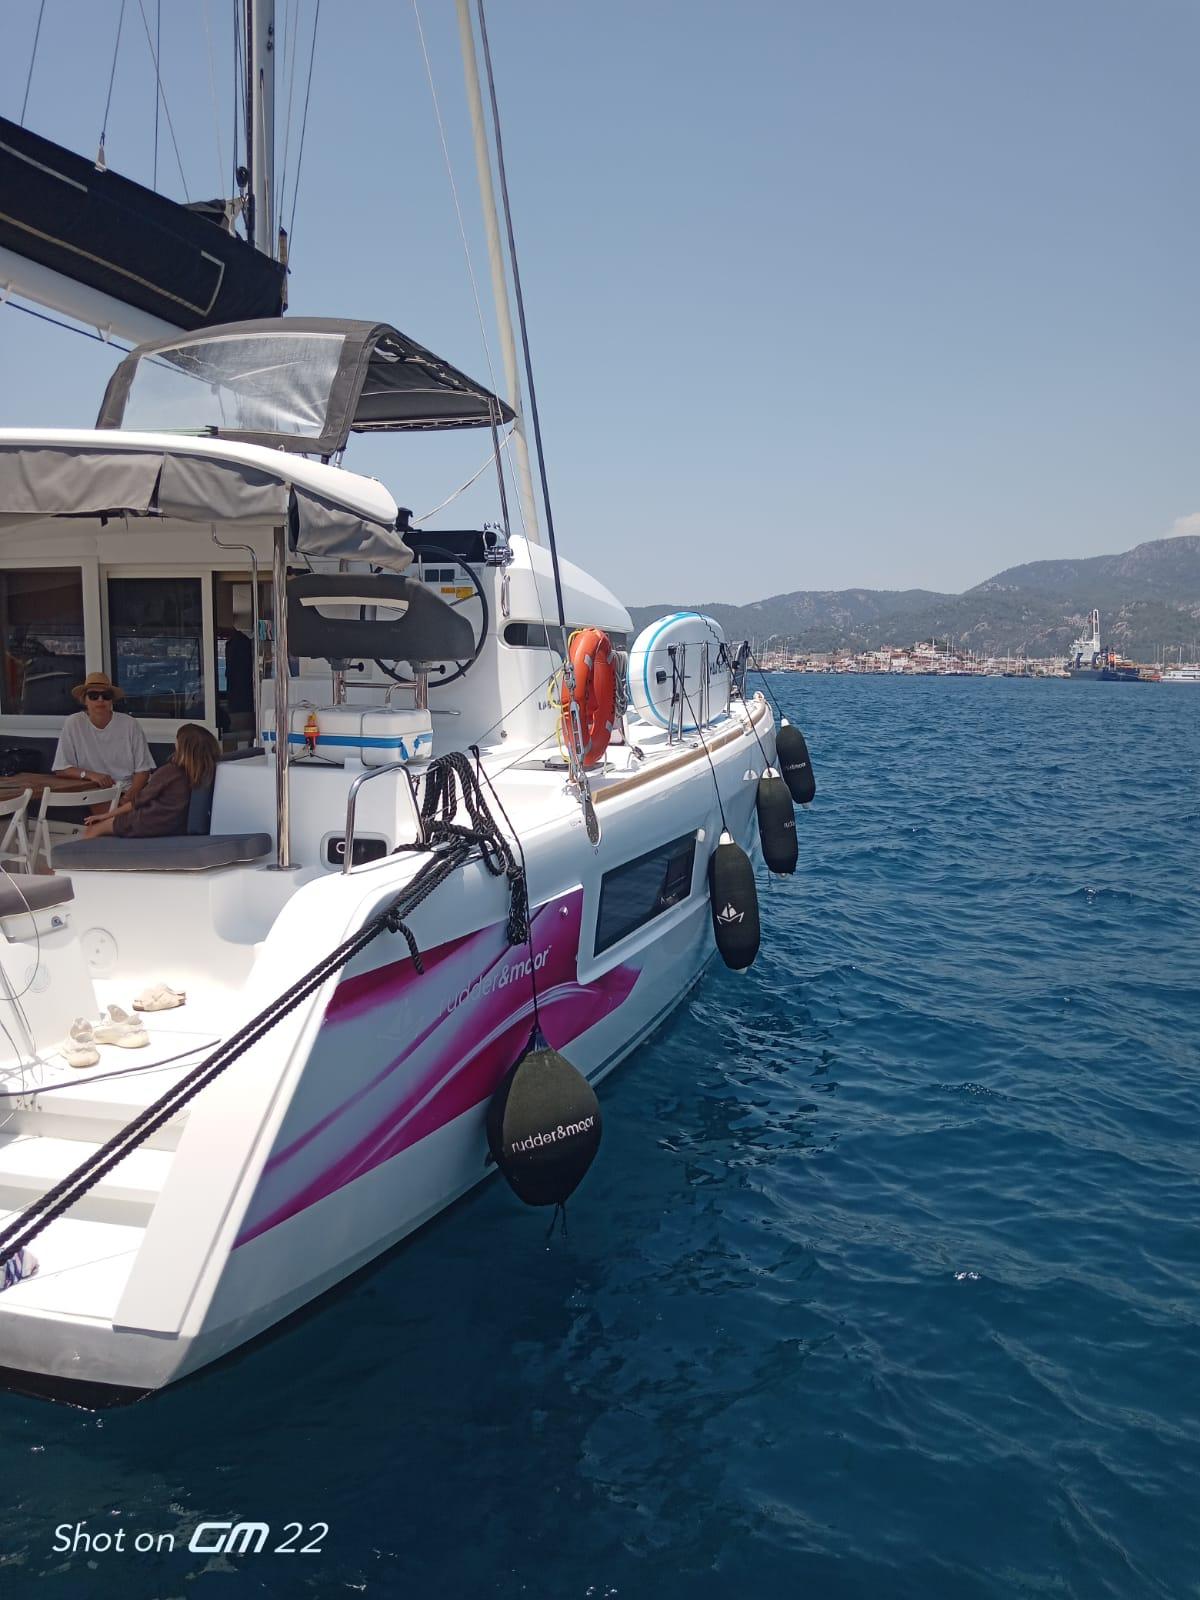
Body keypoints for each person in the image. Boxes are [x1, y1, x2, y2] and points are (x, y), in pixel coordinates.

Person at [82, 724, 220, 841]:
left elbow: (138, 801)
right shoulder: (205, 773)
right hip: (175, 826)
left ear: (182, 746)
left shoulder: (170, 772)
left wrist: (106, 816)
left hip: (149, 822)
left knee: (94, 829)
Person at [53, 672, 154, 801]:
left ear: (112, 700)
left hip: (126, 790)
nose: (100, 700)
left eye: (106, 696)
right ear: (84, 700)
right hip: (92, 790)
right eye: (93, 696)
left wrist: (129, 797)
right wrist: (91, 775)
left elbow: (143, 771)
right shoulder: (73, 723)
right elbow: (61, 768)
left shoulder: (130, 724)